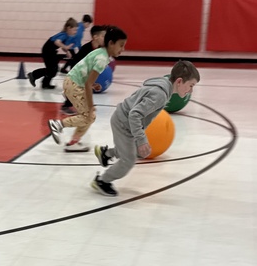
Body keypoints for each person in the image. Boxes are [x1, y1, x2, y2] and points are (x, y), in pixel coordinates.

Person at [92, 60, 201, 196]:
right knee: (128, 160)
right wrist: (142, 140)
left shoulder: (164, 86)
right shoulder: (160, 95)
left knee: (134, 151)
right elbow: (135, 114)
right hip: (123, 123)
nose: (191, 91)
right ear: (179, 81)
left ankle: (105, 153)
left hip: (127, 123)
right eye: (191, 85)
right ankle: (102, 181)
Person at [47, 26, 126, 152]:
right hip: (74, 84)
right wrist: (90, 105)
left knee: (90, 116)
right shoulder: (102, 58)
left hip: (73, 82)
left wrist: (92, 84)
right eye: (121, 45)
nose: (123, 49)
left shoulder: (101, 52)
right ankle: (58, 124)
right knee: (88, 115)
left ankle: (74, 141)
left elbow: (86, 73)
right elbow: (88, 85)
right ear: (111, 43)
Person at [60, 24, 106, 114]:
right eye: (103, 36)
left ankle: (77, 100)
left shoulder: (100, 49)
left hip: (85, 72)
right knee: (79, 89)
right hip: (77, 71)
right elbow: (77, 64)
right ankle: (66, 105)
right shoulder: (86, 49)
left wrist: (93, 84)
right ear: (95, 37)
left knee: (83, 89)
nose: (105, 39)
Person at [29, 18, 77, 90]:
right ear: (69, 28)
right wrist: (66, 47)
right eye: (74, 30)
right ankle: (34, 75)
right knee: (52, 69)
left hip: (51, 51)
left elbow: (61, 45)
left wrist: (67, 51)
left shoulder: (66, 35)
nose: (75, 32)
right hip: (47, 51)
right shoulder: (63, 35)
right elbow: (57, 42)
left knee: (53, 69)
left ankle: (45, 83)